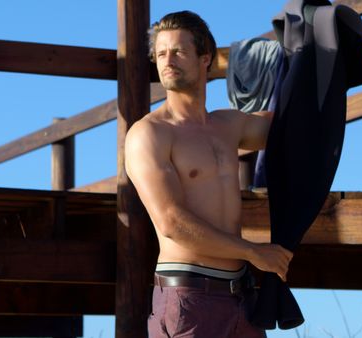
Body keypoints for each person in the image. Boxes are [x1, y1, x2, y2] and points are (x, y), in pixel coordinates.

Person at [124, 10, 293, 338]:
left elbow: (293, 125)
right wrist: (252, 251)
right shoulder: (150, 134)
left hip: (242, 298)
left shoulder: (228, 126)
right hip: (190, 297)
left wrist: (318, 55)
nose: (167, 60)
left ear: (205, 58)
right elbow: (171, 222)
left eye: (179, 51)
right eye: (161, 53)